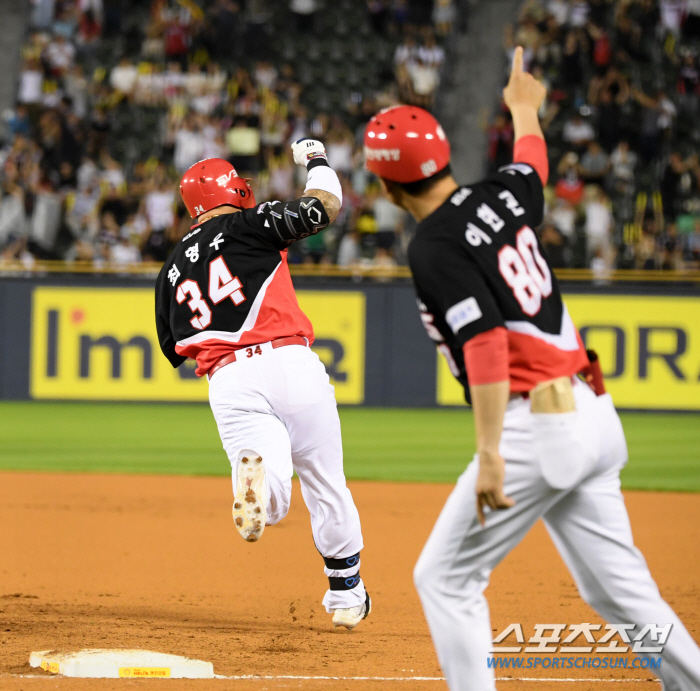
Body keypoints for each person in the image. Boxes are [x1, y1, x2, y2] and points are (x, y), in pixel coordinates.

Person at [363, 47, 700, 691]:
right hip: (593, 412)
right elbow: (531, 165)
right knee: (623, 597)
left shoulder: (432, 244)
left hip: (536, 427)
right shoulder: (498, 196)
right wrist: (523, 109)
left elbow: (486, 344)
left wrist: (489, 452)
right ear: (441, 160)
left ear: (385, 185)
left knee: (445, 578)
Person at [154, 140, 370, 630]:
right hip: (289, 361)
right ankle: (345, 596)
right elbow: (324, 207)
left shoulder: (169, 270)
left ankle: (260, 487)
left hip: (228, 381)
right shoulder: (249, 224)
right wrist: (316, 158)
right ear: (234, 188)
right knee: (324, 480)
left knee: (270, 483)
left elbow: (175, 347)